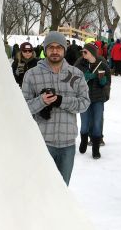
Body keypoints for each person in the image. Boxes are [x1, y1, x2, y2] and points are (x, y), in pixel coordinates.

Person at [21, 31, 90, 185]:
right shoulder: (32, 75)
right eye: (50, 47)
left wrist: (61, 101)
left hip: (68, 144)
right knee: (43, 189)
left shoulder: (75, 74)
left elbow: (84, 103)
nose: (54, 50)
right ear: (45, 49)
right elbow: (22, 108)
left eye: (59, 47)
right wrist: (41, 101)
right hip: (42, 143)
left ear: (64, 50)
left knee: (63, 189)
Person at [74, 43, 111, 159]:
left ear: (92, 53)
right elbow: (73, 79)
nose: (83, 54)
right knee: (84, 123)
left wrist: (103, 81)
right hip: (84, 98)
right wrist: (84, 77)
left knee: (97, 123)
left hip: (98, 98)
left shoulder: (102, 64)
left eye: (85, 52)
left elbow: (108, 81)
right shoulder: (79, 64)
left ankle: (96, 149)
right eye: (82, 52)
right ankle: (84, 141)